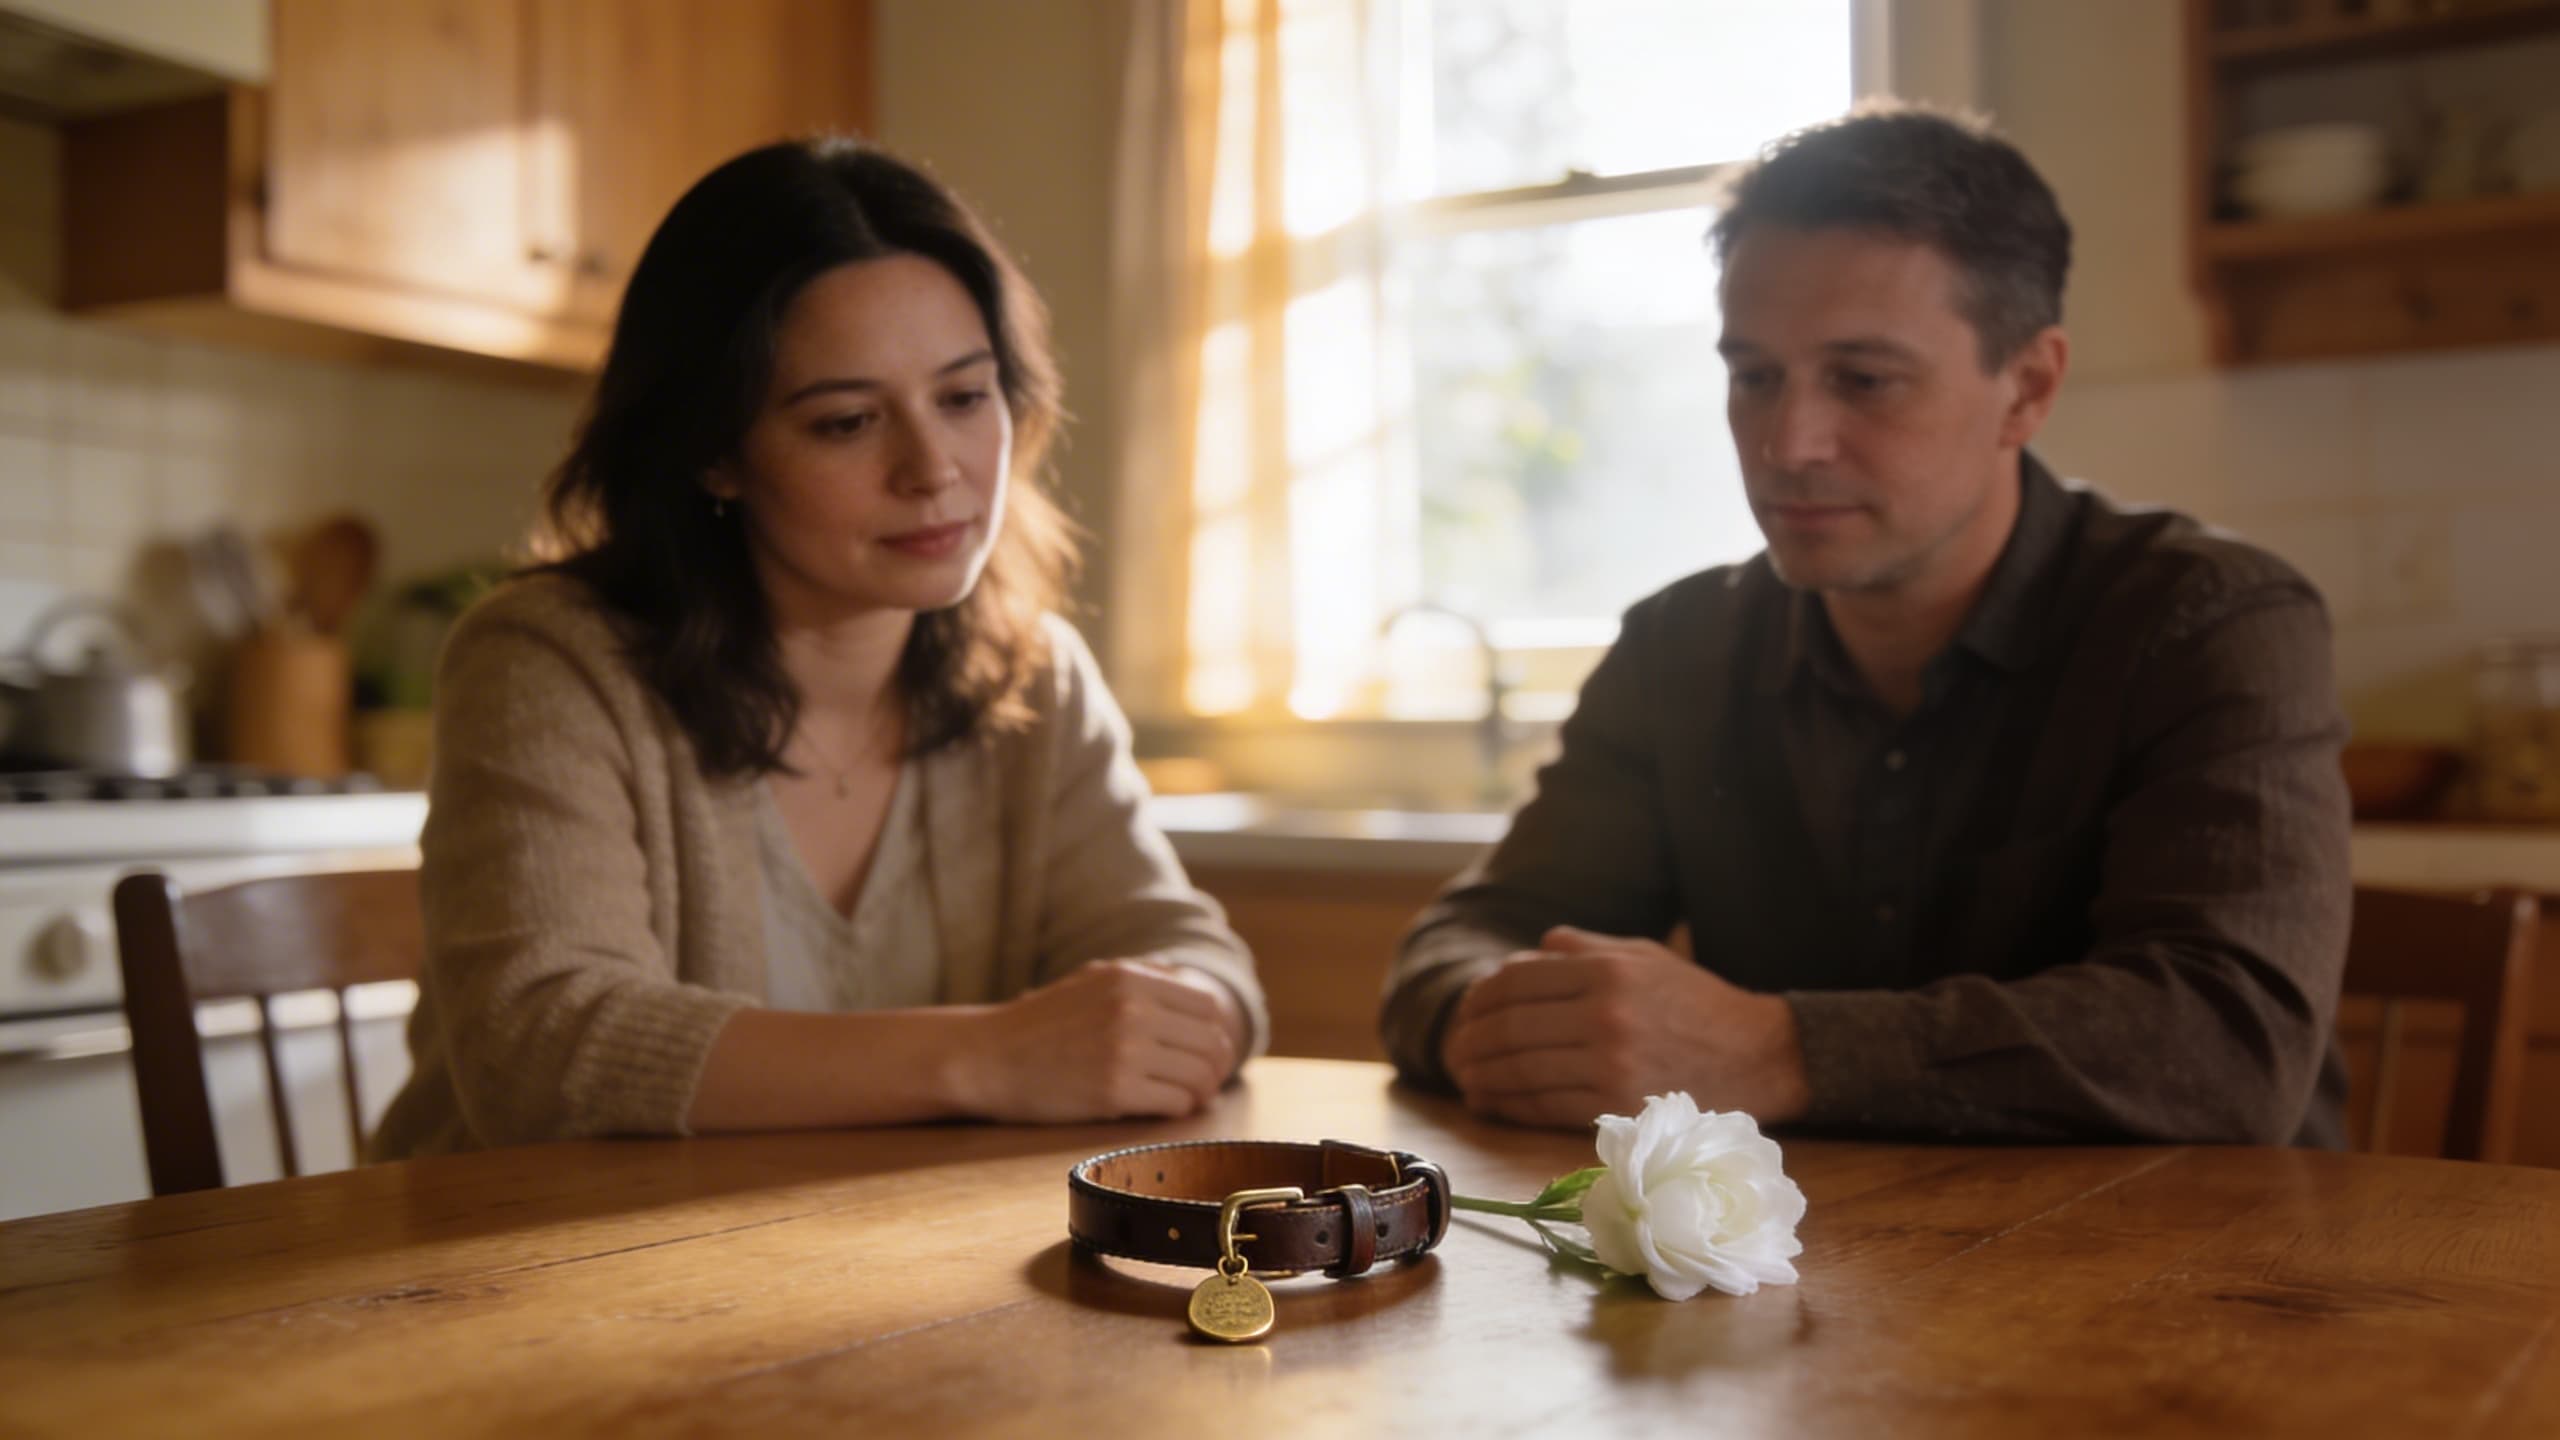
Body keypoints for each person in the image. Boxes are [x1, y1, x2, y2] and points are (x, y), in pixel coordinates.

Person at [1379, 105, 2353, 1146]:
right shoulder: (1679, 648)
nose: (1788, 443)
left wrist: (1773, 1051)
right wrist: (1516, 1019)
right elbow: (1462, 946)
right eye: (1754, 376)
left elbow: (2231, 1042)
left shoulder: (2209, 622)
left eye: (1864, 379)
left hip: (2196, 1243)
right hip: (1824, 1244)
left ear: (2026, 389)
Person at [370, 139, 1262, 1159]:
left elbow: (1191, 955)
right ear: (714, 452)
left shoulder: (1035, 674)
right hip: (516, 1246)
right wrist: (989, 1057)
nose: (933, 469)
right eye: (847, 422)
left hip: (858, 1247)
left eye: (964, 398)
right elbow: (539, 1049)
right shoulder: (547, 663)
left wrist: (1183, 1010)